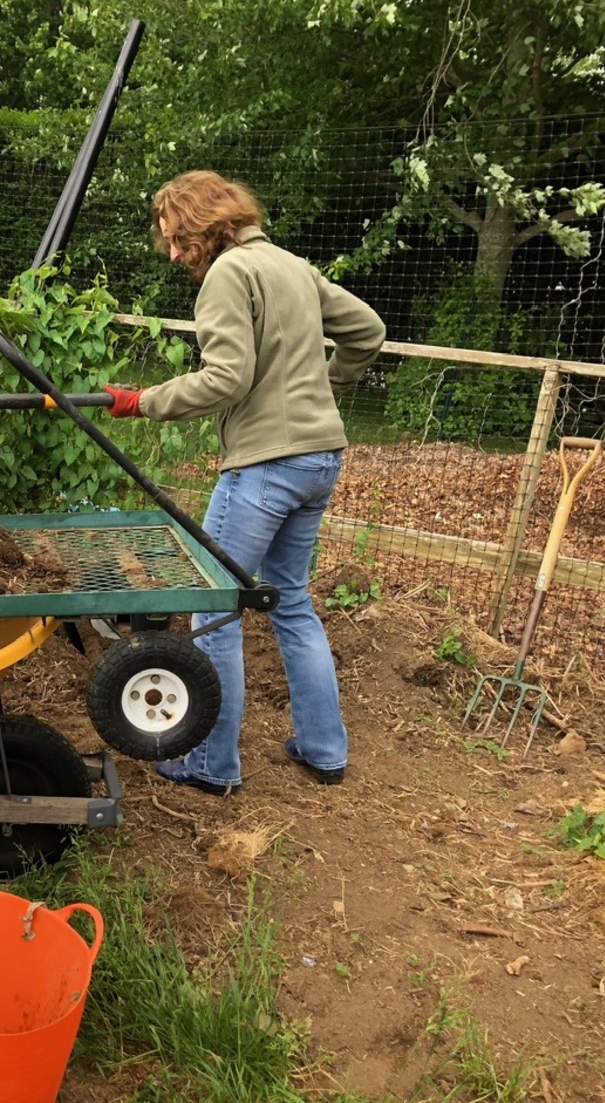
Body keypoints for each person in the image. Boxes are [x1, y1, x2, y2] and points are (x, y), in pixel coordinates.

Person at [104, 169, 385, 795]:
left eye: (177, 239)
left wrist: (143, 400)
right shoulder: (290, 264)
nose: (174, 254)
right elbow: (367, 330)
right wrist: (324, 390)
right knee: (290, 601)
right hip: (319, 458)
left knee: (215, 609)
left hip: (265, 466)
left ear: (205, 223)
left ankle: (209, 765)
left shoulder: (229, 273)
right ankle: (323, 750)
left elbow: (225, 378)